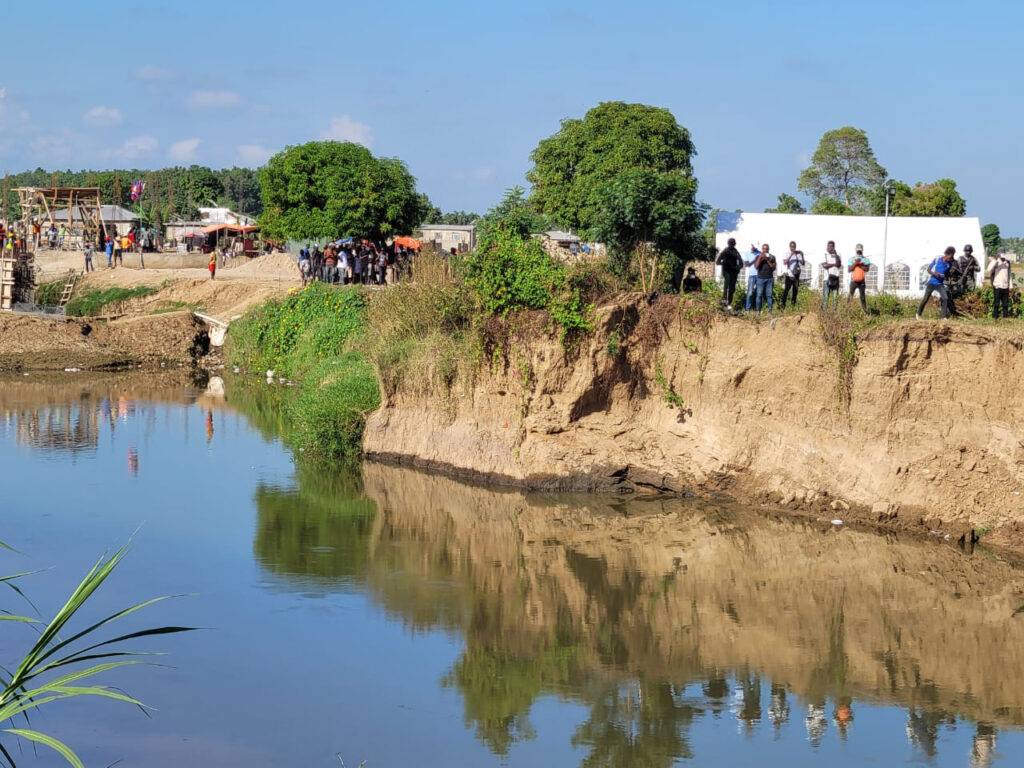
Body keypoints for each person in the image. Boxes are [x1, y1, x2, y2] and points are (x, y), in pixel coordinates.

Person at [916, 247, 956, 319]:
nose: (951, 258)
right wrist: (934, 274)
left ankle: (943, 317)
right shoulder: (937, 260)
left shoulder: (949, 264)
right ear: (947, 254)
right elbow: (928, 269)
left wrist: (949, 278)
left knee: (945, 298)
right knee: (926, 298)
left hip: (940, 284)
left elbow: (947, 274)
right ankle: (918, 314)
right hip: (932, 282)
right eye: (950, 256)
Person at [716, 237, 743, 307]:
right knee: (726, 284)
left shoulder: (736, 252)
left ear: (735, 244)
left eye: (733, 243)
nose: (731, 245)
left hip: (734, 271)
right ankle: (724, 299)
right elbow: (717, 262)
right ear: (728, 243)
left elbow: (741, 263)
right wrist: (724, 263)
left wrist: (738, 268)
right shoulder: (725, 251)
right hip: (726, 271)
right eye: (730, 243)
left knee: (732, 288)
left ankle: (729, 303)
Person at [988, 251, 1012, 319]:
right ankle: (995, 317)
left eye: (1003, 253)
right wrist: (995, 259)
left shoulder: (1007, 263)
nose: (1002, 255)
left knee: (1005, 304)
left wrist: (1011, 286)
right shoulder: (995, 262)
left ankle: (1005, 317)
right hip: (997, 286)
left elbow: (1009, 274)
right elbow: (988, 269)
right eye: (1001, 253)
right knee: (996, 303)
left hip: (1005, 286)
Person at [780, 241, 804, 309]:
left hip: (796, 276)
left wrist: (801, 254)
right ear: (790, 246)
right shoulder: (786, 253)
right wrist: (791, 255)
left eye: (794, 247)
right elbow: (785, 262)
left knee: (795, 291)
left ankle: (793, 306)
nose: (793, 248)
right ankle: (782, 306)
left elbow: (802, 263)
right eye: (792, 246)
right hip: (789, 275)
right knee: (786, 290)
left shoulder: (798, 254)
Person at [847, 244, 871, 311]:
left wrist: (859, 264)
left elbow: (867, 269)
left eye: (860, 250)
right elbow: (849, 270)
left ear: (862, 250)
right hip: (853, 281)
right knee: (850, 296)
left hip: (862, 281)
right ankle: (847, 310)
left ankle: (865, 311)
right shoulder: (852, 259)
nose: (859, 252)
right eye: (858, 250)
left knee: (862, 297)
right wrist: (855, 263)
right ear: (855, 250)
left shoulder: (866, 259)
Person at [754, 243, 776, 312]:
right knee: (759, 295)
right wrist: (760, 257)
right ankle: (758, 311)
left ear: (768, 249)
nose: (765, 250)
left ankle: (770, 312)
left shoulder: (772, 257)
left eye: (766, 249)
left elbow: (773, 268)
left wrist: (767, 260)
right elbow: (756, 267)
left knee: (769, 296)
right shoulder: (758, 256)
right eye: (764, 249)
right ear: (762, 249)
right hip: (760, 278)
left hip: (769, 278)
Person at [821, 241, 842, 310]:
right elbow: (824, 265)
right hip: (827, 278)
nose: (830, 247)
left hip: (835, 278)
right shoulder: (825, 254)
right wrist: (833, 264)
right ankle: (824, 312)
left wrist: (836, 255)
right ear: (827, 246)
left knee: (835, 297)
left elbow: (839, 265)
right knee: (825, 297)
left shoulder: (838, 254)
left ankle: (834, 313)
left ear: (834, 247)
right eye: (829, 246)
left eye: (832, 246)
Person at [744, 244, 760, 311]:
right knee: (750, 292)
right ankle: (748, 309)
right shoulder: (747, 253)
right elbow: (746, 264)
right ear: (752, 246)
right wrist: (755, 260)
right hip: (752, 275)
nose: (755, 249)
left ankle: (757, 309)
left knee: (759, 293)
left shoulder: (760, 253)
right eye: (754, 247)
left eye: (756, 248)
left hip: (760, 275)